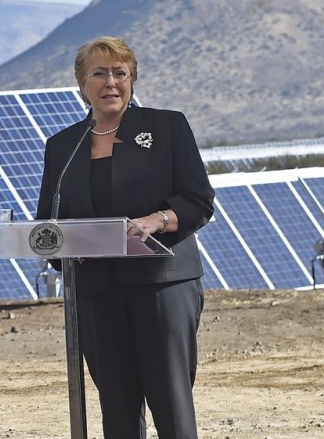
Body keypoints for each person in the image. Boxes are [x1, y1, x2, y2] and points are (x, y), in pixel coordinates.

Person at [36, 36, 215, 439]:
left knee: (170, 400)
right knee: (116, 405)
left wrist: (157, 219)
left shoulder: (167, 126)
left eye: (120, 73)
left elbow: (198, 200)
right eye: (99, 73)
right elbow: (48, 221)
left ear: (133, 80)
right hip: (97, 291)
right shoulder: (63, 145)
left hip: (162, 286)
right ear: (82, 84)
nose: (110, 82)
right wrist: (64, 251)